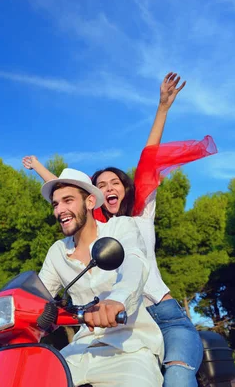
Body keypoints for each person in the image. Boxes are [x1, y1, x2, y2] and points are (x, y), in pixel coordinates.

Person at [25, 73, 216, 386]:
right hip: (113, 324)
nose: (108, 188)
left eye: (115, 183)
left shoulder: (135, 218)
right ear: (94, 199)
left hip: (161, 313)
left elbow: (148, 159)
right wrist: (39, 170)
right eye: (101, 185)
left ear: (126, 189)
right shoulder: (94, 228)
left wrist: (163, 109)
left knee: (178, 376)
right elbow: (67, 194)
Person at [38, 168, 164, 387]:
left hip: (130, 347)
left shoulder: (120, 227)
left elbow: (134, 263)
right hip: (79, 349)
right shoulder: (57, 251)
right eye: (56, 204)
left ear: (89, 202)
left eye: (68, 200)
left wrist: (118, 300)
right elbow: (38, 298)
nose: (60, 210)